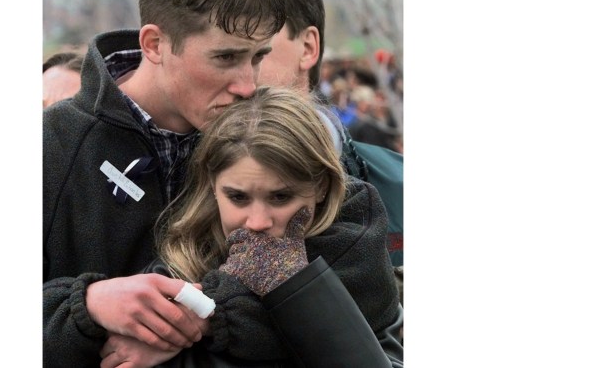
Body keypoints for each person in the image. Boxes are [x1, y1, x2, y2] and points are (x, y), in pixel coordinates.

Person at [44, 0, 401, 366]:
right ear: (155, 44)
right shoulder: (51, 149)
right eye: (226, 58)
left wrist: (197, 316)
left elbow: (357, 286)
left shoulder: (268, 129)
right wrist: (88, 305)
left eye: (257, 57)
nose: (248, 85)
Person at [99, 87, 402, 367]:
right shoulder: (180, 257)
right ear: (212, 185)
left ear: (321, 187)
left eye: (281, 197)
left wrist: (202, 319)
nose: (258, 223)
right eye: (238, 198)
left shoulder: (356, 249)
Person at [251, 0, 404, 266]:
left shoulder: (397, 187)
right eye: (222, 52)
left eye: (256, 48)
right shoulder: (184, 181)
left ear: (308, 48)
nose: (236, 72)